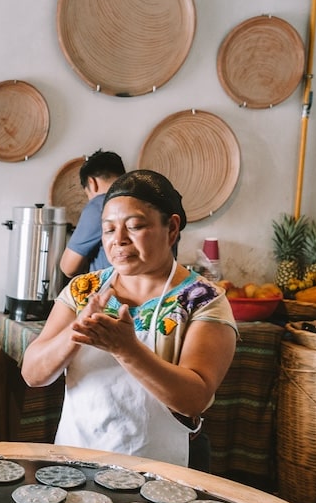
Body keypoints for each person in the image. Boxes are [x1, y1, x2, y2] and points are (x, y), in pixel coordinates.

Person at [22, 170, 237, 470]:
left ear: (172, 229)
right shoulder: (83, 291)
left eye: (135, 226)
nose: (119, 240)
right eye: (108, 230)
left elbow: (194, 399)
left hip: (163, 471)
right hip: (78, 462)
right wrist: (77, 328)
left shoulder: (202, 299)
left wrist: (127, 349)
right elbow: (33, 374)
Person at [60, 149, 127, 278]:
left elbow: (68, 268)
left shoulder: (100, 205)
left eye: (88, 194)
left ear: (92, 182)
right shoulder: (144, 198)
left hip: (111, 292)